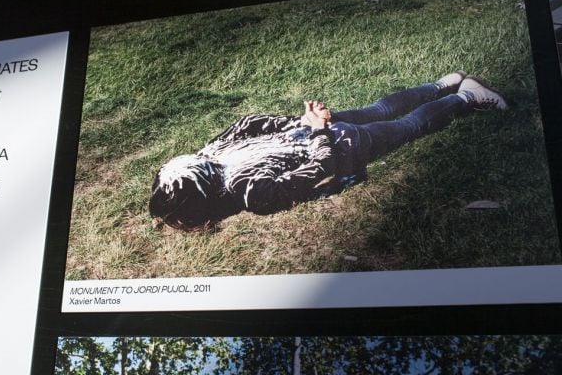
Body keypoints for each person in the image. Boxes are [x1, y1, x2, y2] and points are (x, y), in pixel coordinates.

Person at [148, 72, 508, 231]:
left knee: (395, 119)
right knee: (391, 117)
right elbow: (316, 167)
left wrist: (301, 123)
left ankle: (460, 91)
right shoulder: (245, 185)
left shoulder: (221, 166)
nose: (185, 159)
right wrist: (312, 127)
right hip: (331, 138)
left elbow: (251, 125)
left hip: (324, 134)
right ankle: (454, 88)